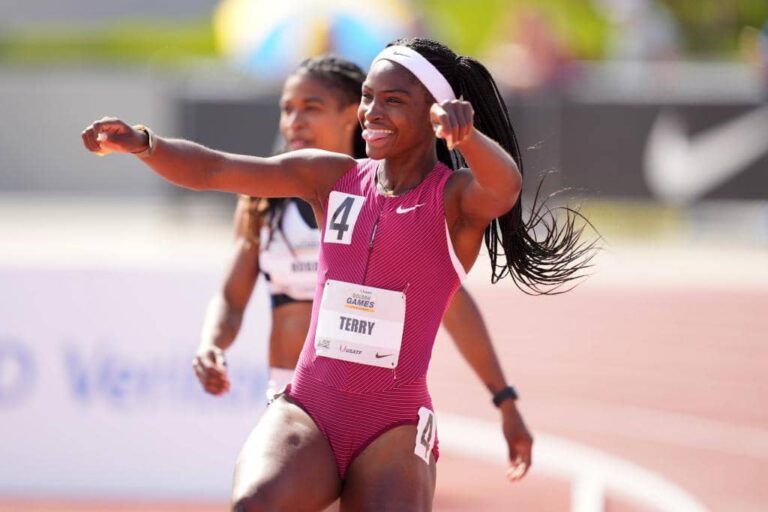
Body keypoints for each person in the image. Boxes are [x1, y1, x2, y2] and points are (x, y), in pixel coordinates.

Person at [82, 37, 593, 511]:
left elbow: (504, 187)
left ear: (433, 113)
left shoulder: (454, 198)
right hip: (309, 407)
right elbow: (214, 169)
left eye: (392, 100)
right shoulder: (332, 178)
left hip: (392, 425)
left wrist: (470, 137)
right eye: (368, 97)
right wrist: (145, 143)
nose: (371, 112)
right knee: (253, 504)